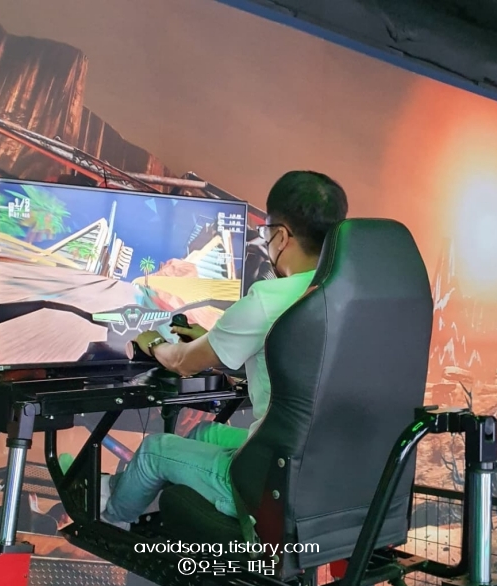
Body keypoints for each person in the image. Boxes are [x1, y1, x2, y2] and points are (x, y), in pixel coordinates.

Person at [99, 171, 348, 529]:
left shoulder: (268, 299)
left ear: (280, 236)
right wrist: (212, 338)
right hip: (324, 470)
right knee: (206, 434)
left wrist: (152, 342)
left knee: (154, 450)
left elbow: (183, 363)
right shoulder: (346, 294)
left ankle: (114, 519)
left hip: (270, 486)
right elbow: (287, 359)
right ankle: (134, 494)